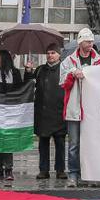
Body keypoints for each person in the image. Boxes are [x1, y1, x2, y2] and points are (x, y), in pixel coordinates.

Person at [59, 28, 100, 187]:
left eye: (92, 41)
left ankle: (90, 174)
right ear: (80, 43)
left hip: (93, 111)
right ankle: (73, 174)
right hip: (74, 108)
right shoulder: (68, 62)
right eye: (87, 41)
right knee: (74, 144)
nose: (90, 44)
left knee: (91, 143)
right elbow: (62, 83)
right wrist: (72, 73)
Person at [0, 49, 29, 181]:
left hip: (11, 111)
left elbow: (21, 89)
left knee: (8, 140)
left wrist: (28, 73)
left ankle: (8, 169)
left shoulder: (14, 73)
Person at [34, 44, 67, 180]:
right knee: (43, 144)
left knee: (60, 143)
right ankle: (43, 170)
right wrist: (28, 72)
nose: (50, 55)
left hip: (59, 112)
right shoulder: (40, 70)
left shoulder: (65, 69)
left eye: (53, 53)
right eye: (48, 53)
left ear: (59, 55)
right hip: (43, 113)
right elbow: (30, 85)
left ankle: (60, 170)